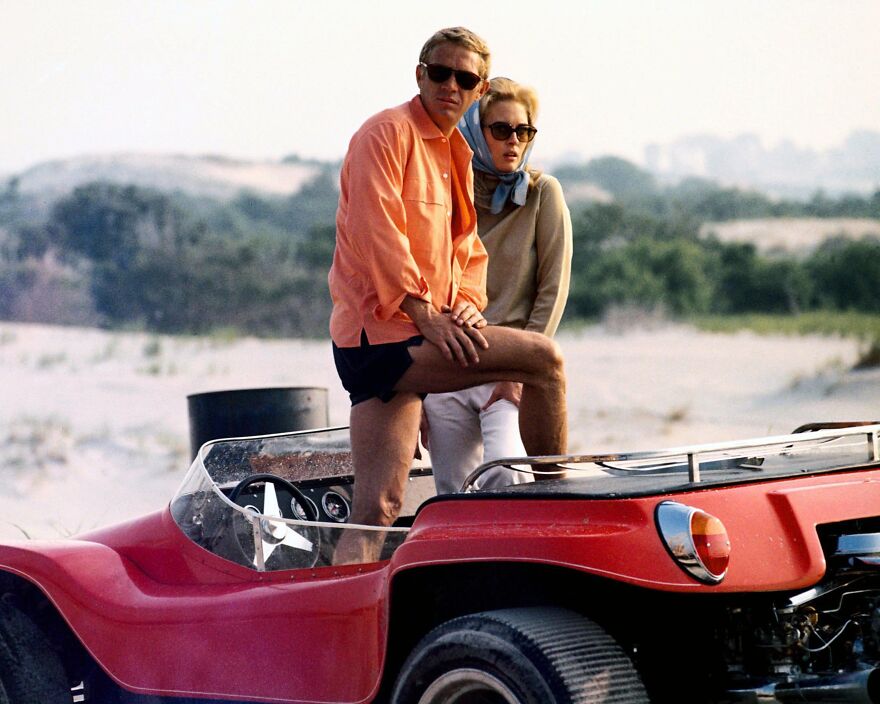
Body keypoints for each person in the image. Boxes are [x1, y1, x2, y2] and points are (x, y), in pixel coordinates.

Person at [328, 27, 567, 564]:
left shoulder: (455, 151)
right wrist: (425, 314)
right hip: (383, 338)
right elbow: (377, 234)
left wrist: (465, 302)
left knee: (378, 506)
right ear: (420, 75)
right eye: (440, 73)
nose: (450, 86)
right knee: (544, 361)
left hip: (410, 339)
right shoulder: (384, 134)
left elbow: (465, 247)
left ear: (478, 90)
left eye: (465, 78)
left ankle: (341, 622)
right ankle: (563, 507)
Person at [423, 77, 572, 494]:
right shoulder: (447, 195)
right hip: (448, 364)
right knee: (452, 492)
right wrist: (417, 391)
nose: (514, 142)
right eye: (501, 130)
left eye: (524, 131)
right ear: (474, 130)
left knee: (508, 478)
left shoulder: (545, 194)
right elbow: (424, 285)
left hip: (511, 363)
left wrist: (521, 372)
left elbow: (552, 292)